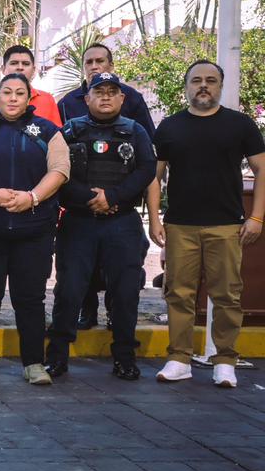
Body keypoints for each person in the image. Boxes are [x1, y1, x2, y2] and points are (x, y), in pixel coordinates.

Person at [152, 60, 265, 388]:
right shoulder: (170, 126)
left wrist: (257, 217)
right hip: (180, 225)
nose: (204, 85)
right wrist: (155, 218)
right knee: (178, 294)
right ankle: (179, 359)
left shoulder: (240, 125)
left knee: (227, 295)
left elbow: (262, 170)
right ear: (187, 86)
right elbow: (154, 177)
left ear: (220, 86)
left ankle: (225, 361)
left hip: (227, 225)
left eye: (211, 80)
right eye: (197, 80)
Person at [0, 73, 70, 385]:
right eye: (7, 92)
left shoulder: (47, 131)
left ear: (29, 98)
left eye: (20, 93)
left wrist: (32, 197)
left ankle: (34, 363)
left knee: (30, 297)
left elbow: (60, 169)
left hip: (33, 229)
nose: (13, 98)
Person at [44, 72, 157, 380]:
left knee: (125, 293)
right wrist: (91, 198)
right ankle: (57, 357)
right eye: (99, 92)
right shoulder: (70, 131)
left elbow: (146, 170)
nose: (105, 96)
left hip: (122, 222)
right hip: (79, 221)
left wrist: (114, 197)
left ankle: (125, 358)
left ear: (122, 98)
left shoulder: (135, 131)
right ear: (87, 98)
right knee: (69, 291)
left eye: (111, 92)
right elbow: (56, 172)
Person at [57, 42, 157, 330]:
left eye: (100, 61)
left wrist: (113, 196)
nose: (94, 66)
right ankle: (84, 314)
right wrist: (90, 198)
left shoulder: (134, 107)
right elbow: (57, 165)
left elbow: (147, 164)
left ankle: (120, 330)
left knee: (124, 281)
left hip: (121, 211)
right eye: (89, 62)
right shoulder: (67, 106)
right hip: (80, 210)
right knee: (73, 280)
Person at [0, 45, 62, 126]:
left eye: (26, 64)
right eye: (14, 63)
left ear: (33, 70)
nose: (20, 67)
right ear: (3, 69)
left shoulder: (47, 99)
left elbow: (56, 133)